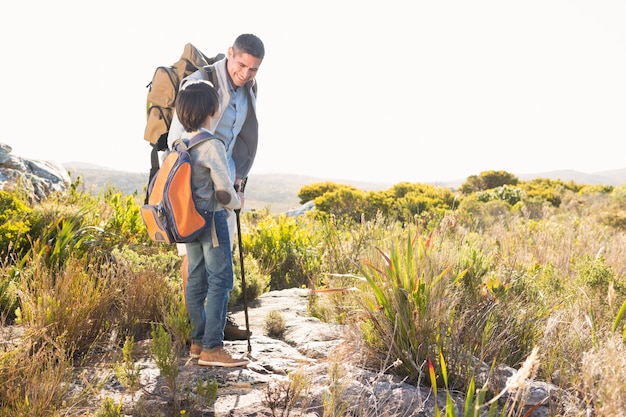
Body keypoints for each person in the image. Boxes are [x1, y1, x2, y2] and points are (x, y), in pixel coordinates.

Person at [167, 33, 265, 341]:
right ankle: (200, 334)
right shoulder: (200, 82)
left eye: (253, 69)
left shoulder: (250, 89)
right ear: (229, 54)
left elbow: (239, 138)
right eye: (241, 65)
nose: (245, 74)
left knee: (220, 255)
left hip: (227, 184)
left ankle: (214, 325)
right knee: (199, 264)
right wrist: (200, 186)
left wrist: (237, 182)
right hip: (198, 192)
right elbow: (176, 138)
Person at [174, 79, 249, 367]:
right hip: (213, 221)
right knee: (221, 281)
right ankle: (213, 348)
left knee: (196, 279)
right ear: (212, 109)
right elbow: (223, 190)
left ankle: (197, 342)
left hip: (189, 221)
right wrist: (237, 200)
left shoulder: (181, 143)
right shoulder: (212, 144)